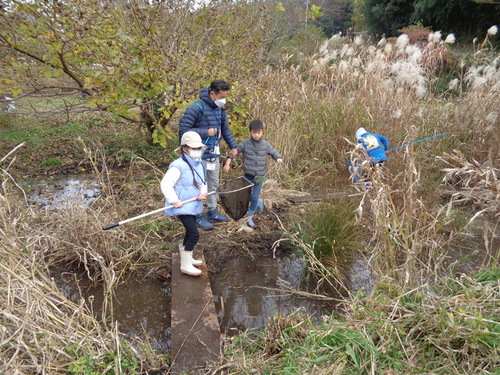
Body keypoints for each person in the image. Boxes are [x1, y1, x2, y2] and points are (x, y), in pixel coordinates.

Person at [179, 80, 238, 230]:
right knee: (198, 186)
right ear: (212, 94)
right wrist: (206, 132)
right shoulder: (196, 108)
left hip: (214, 154)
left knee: (213, 184)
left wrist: (233, 146)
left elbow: (225, 130)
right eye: (221, 96)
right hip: (198, 156)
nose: (223, 100)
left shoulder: (220, 109)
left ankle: (212, 211)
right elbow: (184, 131)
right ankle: (198, 214)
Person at [161, 131, 208, 277]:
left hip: (193, 204)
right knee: (194, 234)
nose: (197, 150)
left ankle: (188, 258)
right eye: (193, 148)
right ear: (184, 148)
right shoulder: (177, 166)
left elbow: (202, 181)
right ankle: (185, 265)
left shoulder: (199, 163)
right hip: (182, 206)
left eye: (198, 148)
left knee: (189, 232)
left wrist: (203, 193)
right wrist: (174, 200)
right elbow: (165, 184)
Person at [223, 119, 282, 227]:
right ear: (250, 132)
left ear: (262, 132)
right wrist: (228, 162)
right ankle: (259, 202)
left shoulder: (265, 145)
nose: (256, 135)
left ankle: (249, 217)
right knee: (243, 195)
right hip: (248, 175)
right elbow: (235, 151)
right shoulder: (245, 144)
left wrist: (278, 157)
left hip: (259, 176)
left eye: (259, 132)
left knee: (254, 197)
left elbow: (273, 152)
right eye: (254, 132)